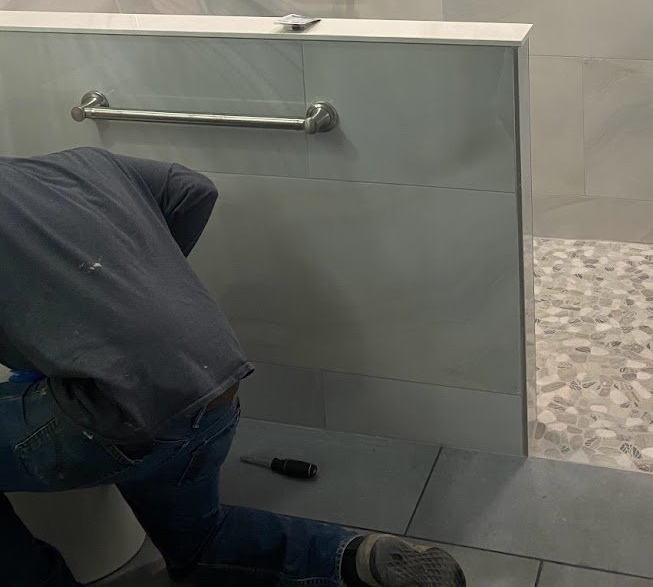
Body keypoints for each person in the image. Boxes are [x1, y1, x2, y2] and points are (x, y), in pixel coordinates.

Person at [0, 147, 465, 587]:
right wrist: (142, 288)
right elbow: (192, 188)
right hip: (212, 389)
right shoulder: (81, 163)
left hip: (110, 415)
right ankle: (352, 558)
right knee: (201, 543)